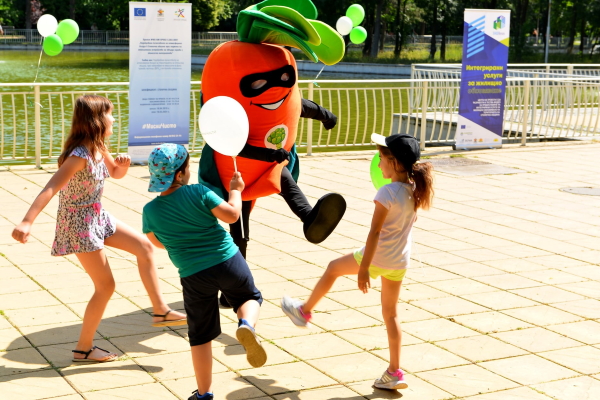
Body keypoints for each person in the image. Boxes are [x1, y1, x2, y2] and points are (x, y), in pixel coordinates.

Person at [11, 95, 186, 363]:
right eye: (110, 114)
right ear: (96, 120)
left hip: (97, 215)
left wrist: (123, 166)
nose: (114, 118)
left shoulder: (99, 146)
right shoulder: (78, 156)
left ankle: (161, 310)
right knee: (105, 286)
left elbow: (115, 173)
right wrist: (27, 221)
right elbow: (50, 187)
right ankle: (83, 349)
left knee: (144, 247)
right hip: (78, 223)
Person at [281, 133, 434, 391]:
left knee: (332, 268)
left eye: (381, 158)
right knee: (391, 314)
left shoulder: (387, 192)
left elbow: (375, 232)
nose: (378, 163)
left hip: (377, 256)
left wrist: (364, 269)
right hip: (399, 261)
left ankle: (304, 311)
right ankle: (394, 372)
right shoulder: (413, 191)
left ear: (395, 162)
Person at [142, 144, 266, 400]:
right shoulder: (199, 191)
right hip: (227, 261)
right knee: (248, 298)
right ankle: (246, 324)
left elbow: (156, 241)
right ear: (179, 174)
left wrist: (179, 241)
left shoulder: (150, 211)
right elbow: (232, 215)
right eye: (188, 167)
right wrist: (235, 190)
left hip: (193, 274)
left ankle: (204, 393)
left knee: (200, 336)